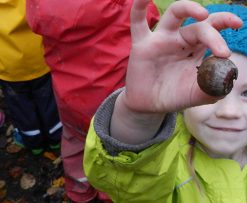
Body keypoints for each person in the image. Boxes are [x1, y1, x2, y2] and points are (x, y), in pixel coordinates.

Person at [84, 0, 247, 202]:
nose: (228, 111)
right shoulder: (161, 165)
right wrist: (139, 116)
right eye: (208, 92)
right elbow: (128, 182)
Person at [25, 0, 159, 202]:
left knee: (75, 142)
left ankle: (79, 190)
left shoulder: (41, 4)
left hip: (69, 98)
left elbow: (34, 21)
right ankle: (108, 193)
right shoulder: (120, 4)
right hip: (113, 101)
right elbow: (150, 17)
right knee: (114, 151)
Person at [0, 0, 62, 155]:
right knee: (48, 99)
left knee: (20, 105)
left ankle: (34, 143)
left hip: (8, 64)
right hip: (39, 55)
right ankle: (57, 138)